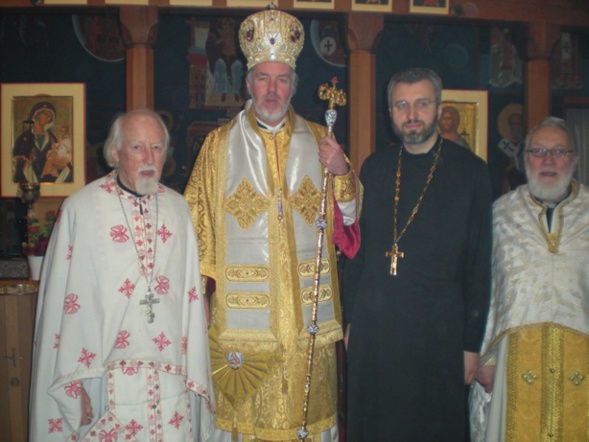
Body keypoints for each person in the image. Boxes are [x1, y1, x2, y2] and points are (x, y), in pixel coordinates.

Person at [184, 5, 360, 441]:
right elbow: (197, 224)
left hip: (307, 321)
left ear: (293, 86)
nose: (272, 89)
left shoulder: (322, 141)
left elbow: (349, 230)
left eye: (282, 79)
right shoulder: (218, 146)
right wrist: (201, 294)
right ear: (248, 82)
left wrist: (342, 175)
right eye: (263, 77)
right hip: (242, 323)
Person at [29, 109, 215, 441]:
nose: (149, 158)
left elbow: (189, 293)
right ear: (115, 153)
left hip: (169, 377)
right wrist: (74, 384)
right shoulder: (81, 210)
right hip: (104, 378)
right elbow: (63, 304)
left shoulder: (178, 209)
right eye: (137, 147)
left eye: (157, 148)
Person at [342, 67, 492, 441]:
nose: (412, 114)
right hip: (376, 327)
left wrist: (471, 345)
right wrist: (351, 320)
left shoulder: (471, 172)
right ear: (390, 111)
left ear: (439, 108)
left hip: (438, 332)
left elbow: (478, 262)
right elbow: (358, 249)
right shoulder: (375, 168)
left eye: (422, 104)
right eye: (402, 105)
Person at [470, 117, 589, 441]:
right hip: (510, 358)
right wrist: (482, 357)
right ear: (525, 160)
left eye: (559, 151)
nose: (548, 160)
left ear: (574, 160)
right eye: (538, 151)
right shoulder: (500, 214)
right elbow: (482, 290)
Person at [12, 101, 58, 183]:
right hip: (28, 179)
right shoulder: (24, 138)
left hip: (48, 180)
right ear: (37, 114)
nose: (47, 118)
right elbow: (16, 161)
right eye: (45, 114)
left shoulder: (52, 138)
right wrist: (27, 160)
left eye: (50, 116)